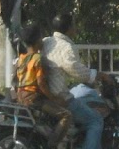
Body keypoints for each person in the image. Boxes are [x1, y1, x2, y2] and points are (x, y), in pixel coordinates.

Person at [42, 13, 112, 149]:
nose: (76, 27)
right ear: (69, 28)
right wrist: (98, 75)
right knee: (95, 120)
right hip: (60, 98)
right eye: (74, 24)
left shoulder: (46, 41)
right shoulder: (66, 47)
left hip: (46, 96)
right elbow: (75, 69)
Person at [16, 24, 72, 149]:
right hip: (34, 99)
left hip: (21, 98)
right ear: (37, 41)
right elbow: (41, 83)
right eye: (41, 38)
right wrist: (54, 98)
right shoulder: (37, 59)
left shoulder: (22, 58)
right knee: (66, 115)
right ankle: (52, 145)